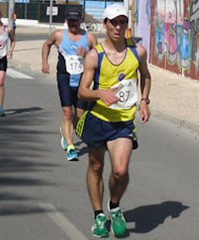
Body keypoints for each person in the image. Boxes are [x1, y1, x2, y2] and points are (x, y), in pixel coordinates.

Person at [75, 3, 151, 238]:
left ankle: (115, 206)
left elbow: (146, 76)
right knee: (96, 166)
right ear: (105, 24)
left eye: (123, 22)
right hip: (98, 119)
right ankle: (99, 215)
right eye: (114, 22)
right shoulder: (94, 55)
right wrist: (100, 93)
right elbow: (82, 91)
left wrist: (145, 100)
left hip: (123, 121)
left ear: (127, 25)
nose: (118, 27)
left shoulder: (137, 52)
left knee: (120, 169)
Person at [42, 9, 97, 161]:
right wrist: (45, 63)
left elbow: (99, 57)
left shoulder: (90, 37)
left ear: (81, 21)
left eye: (76, 21)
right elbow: (46, 45)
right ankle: (71, 147)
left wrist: (86, 55)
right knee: (67, 113)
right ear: (66, 20)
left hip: (82, 78)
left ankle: (65, 132)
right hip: (64, 77)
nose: (73, 24)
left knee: (79, 115)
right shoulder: (59, 35)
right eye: (70, 21)